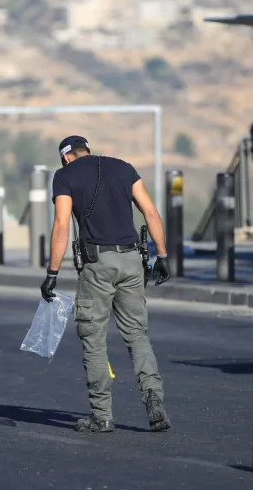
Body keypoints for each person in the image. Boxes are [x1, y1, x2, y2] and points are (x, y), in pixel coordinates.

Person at [40, 135, 172, 433]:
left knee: (94, 338)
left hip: (97, 265)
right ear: (87, 150)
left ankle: (102, 416)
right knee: (137, 335)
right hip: (131, 262)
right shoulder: (124, 168)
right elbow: (150, 211)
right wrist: (162, 255)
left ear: (65, 157)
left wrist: (52, 272)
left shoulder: (64, 176)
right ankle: (154, 401)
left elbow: (62, 224)